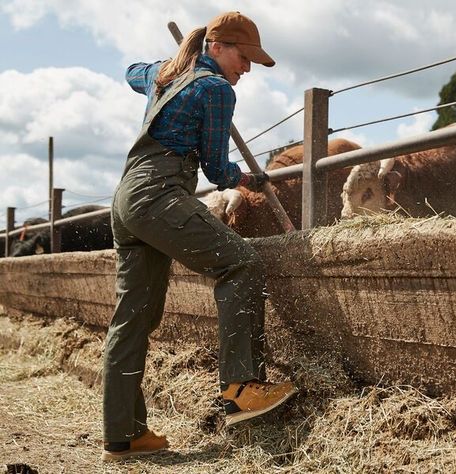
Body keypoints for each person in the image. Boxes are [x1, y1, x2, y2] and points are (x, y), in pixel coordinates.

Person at [101, 11, 297, 462]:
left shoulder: (166, 75)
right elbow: (215, 167)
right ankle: (241, 386)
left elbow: (132, 72)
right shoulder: (215, 89)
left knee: (134, 317)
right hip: (160, 193)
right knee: (241, 263)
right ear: (217, 47)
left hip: (127, 196)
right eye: (244, 57)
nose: (246, 68)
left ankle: (123, 435)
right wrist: (246, 178)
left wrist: (168, 68)